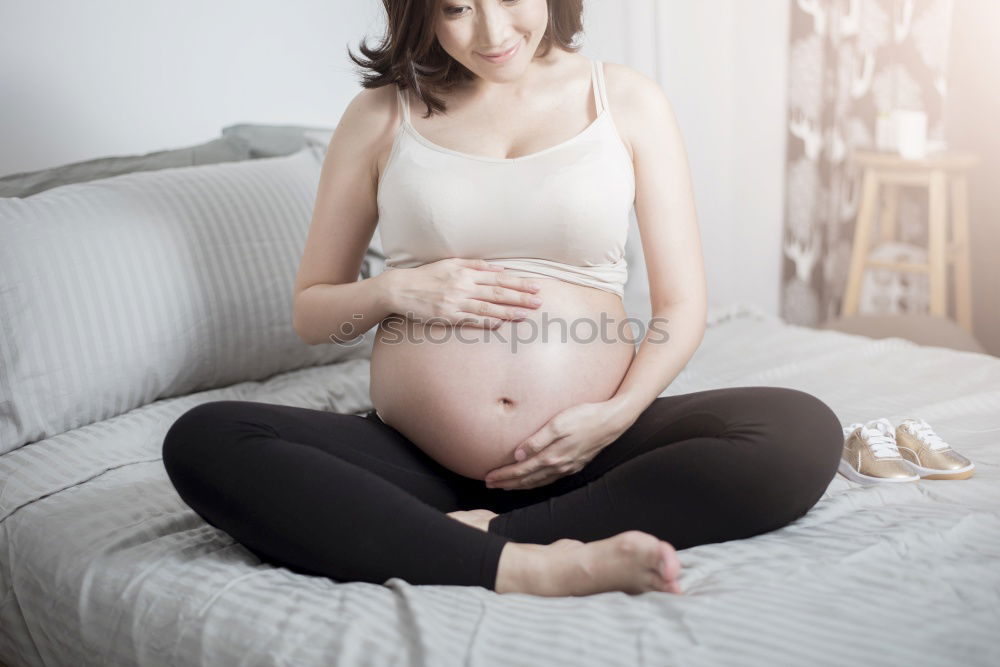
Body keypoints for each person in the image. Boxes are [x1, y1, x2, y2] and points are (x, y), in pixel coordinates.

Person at [162, 0, 843, 597]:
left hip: (591, 449)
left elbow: (681, 305)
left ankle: (492, 532)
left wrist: (614, 414)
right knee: (206, 439)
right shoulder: (380, 114)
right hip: (416, 458)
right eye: (456, 7)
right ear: (420, 11)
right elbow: (312, 312)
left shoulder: (627, 101)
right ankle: (529, 566)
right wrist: (398, 288)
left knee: (800, 430)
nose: (491, 30)